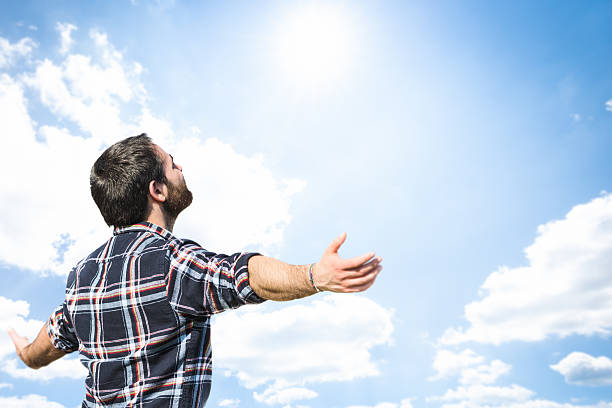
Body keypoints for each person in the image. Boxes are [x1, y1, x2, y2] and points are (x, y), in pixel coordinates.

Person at [8, 134, 382, 407]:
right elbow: (243, 275)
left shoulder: (80, 278)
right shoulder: (171, 262)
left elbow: (49, 341)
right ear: (157, 190)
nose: (181, 168)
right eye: (173, 163)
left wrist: (24, 353)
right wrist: (313, 276)